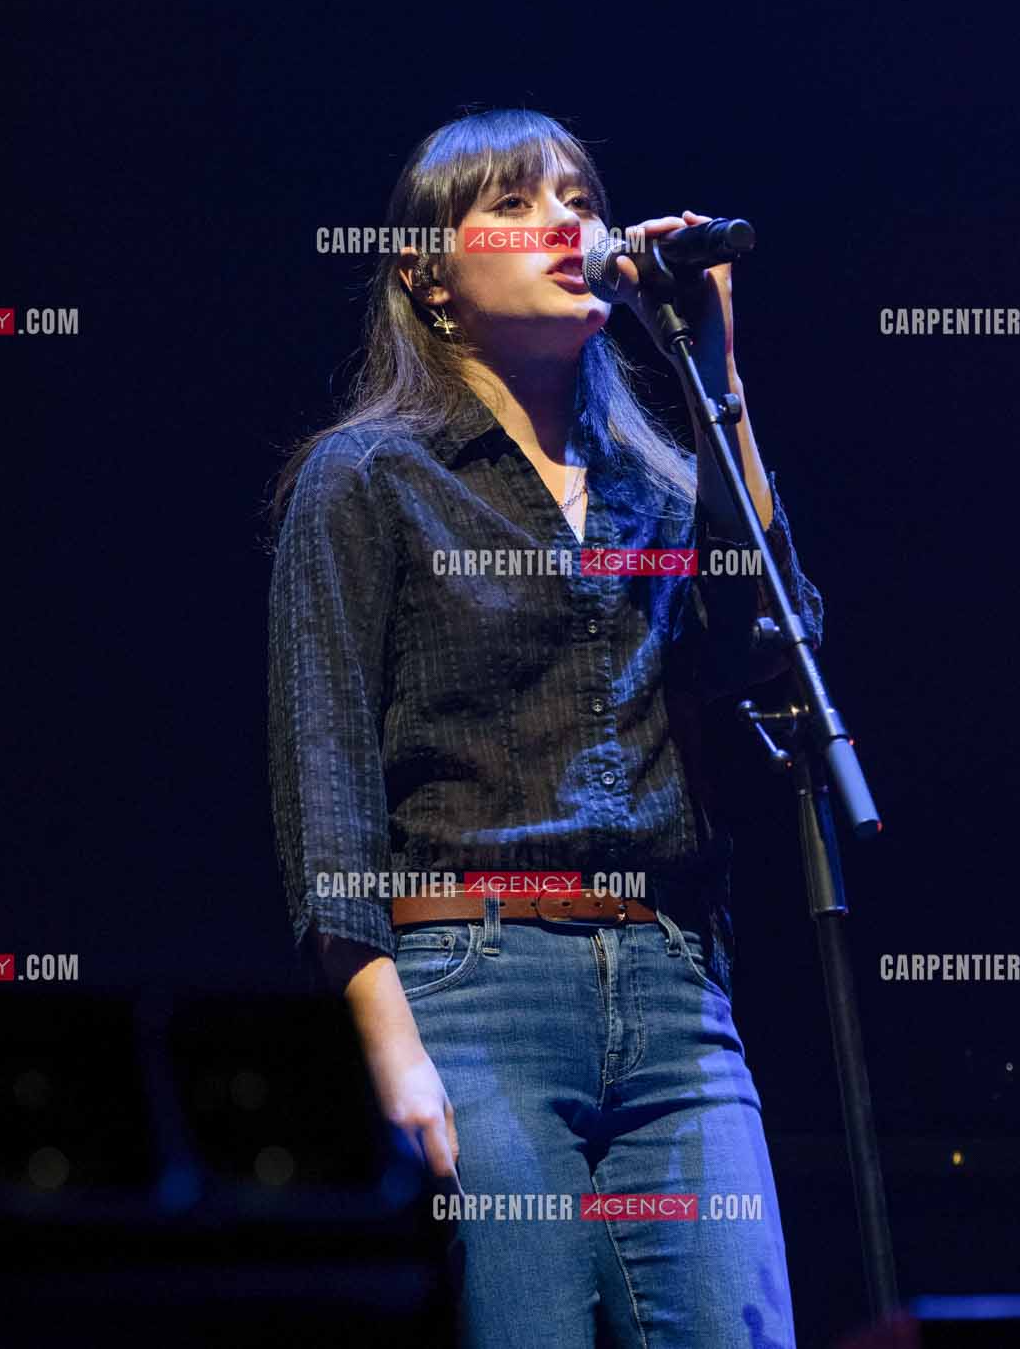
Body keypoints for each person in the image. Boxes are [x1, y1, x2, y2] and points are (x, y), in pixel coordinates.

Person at [268, 107, 823, 1347]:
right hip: (477, 989)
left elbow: (780, 654)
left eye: (579, 196)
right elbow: (326, 777)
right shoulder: (369, 477)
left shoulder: (664, 481)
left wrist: (719, 381)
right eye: (516, 203)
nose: (566, 222)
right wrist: (389, 1043)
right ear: (428, 272)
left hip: (678, 989)